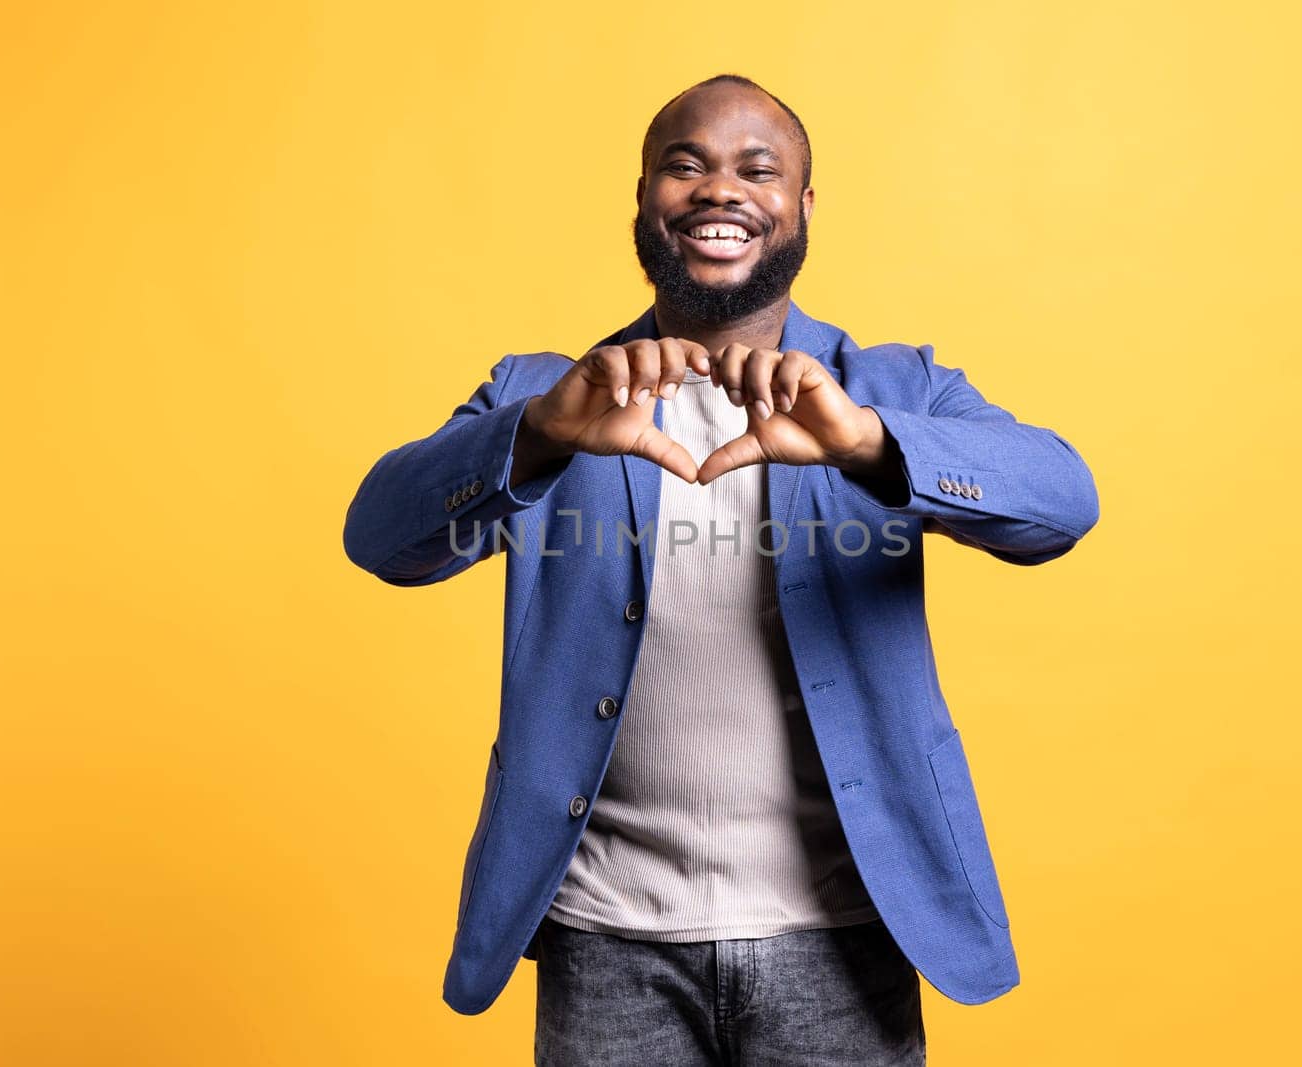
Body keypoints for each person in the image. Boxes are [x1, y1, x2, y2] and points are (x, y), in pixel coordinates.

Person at [343, 73, 1100, 1066]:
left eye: (757, 169)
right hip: (603, 938)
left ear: (802, 207)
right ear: (645, 201)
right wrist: (534, 439)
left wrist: (867, 443)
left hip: (843, 931)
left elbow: (1060, 499)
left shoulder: (887, 388)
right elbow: (381, 535)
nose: (719, 191)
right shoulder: (547, 393)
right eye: (684, 165)